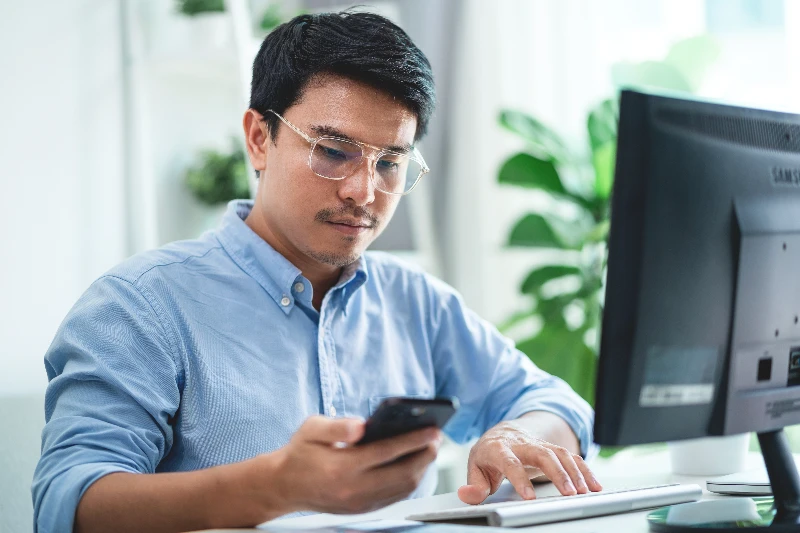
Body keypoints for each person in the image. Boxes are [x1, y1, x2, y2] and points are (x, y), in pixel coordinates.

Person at [32, 10, 601, 533]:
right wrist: (275, 486)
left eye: (391, 162)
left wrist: (515, 435)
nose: (364, 191)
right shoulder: (140, 305)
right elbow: (69, 505)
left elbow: (555, 401)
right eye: (332, 151)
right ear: (259, 139)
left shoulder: (416, 302)